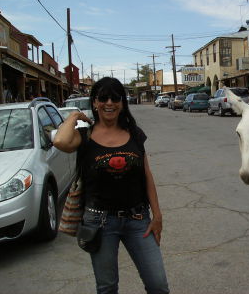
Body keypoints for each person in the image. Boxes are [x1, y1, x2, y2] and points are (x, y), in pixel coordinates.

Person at [54, 77, 169, 294]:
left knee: (158, 285)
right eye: (103, 98)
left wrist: (157, 215)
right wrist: (75, 116)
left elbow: (146, 175)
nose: (109, 103)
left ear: (123, 103)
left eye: (115, 98)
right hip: (99, 222)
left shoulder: (134, 133)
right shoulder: (84, 136)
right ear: (95, 103)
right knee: (107, 287)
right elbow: (60, 141)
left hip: (138, 220)